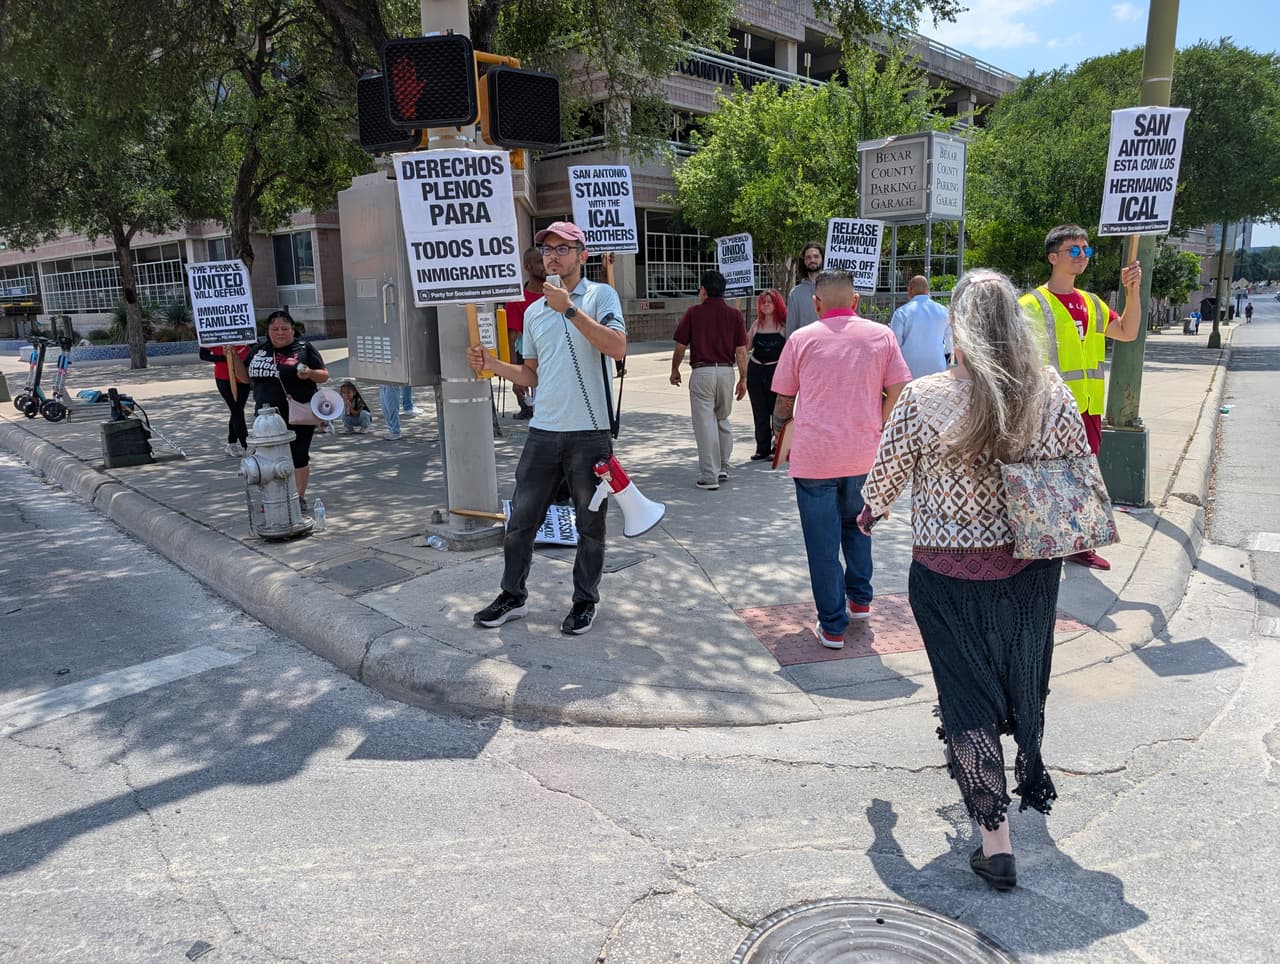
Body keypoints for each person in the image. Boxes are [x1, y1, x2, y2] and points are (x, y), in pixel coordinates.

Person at [861, 269, 1092, 892]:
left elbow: (886, 475)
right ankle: (1020, 772)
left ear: (957, 326)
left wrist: (869, 511)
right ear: (1015, 325)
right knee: (1021, 676)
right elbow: (1080, 470)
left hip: (946, 574)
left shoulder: (924, 397)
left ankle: (996, 841)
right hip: (1031, 568)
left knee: (965, 698)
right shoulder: (1051, 392)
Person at [467, 221, 626, 636]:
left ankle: (584, 601)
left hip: (590, 433)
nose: (552, 256)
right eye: (547, 249)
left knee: (590, 525)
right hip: (544, 432)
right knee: (521, 520)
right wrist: (492, 365)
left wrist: (570, 309)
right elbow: (531, 375)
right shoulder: (535, 309)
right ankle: (512, 595)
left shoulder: (600, 295)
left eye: (562, 248)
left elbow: (617, 346)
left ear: (582, 255)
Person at [771, 269, 911, 645]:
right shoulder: (881, 336)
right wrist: (879, 425)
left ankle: (832, 625)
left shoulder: (801, 339)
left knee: (822, 544)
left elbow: (784, 399)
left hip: (814, 458)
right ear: (856, 301)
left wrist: (781, 432)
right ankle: (860, 602)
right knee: (860, 527)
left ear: (816, 304)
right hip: (864, 456)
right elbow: (899, 386)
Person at [1018, 224, 1141, 571]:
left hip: (1087, 408)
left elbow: (1128, 332)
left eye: (1087, 250)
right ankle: (1044, 542)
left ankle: (1079, 545)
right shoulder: (1030, 304)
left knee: (1087, 477)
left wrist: (1133, 292)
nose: (1082, 256)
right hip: (1048, 409)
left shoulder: (1091, 302)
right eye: (1074, 250)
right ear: (1053, 257)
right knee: (1046, 478)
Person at [233, 310, 329, 512]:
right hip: (266, 416)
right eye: (275, 329)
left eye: (284, 328)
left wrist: (310, 373)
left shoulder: (303, 348)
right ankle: (273, 497)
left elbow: (323, 376)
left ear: (292, 330)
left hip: (298, 412)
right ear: (268, 331)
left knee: (298, 455)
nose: (280, 332)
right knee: (268, 459)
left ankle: (298, 497)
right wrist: (232, 356)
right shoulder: (259, 350)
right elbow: (245, 379)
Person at [669, 270, 747, 489]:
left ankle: (709, 475)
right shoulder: (735, 315)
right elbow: (741, 351)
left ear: (703, 290)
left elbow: (680, 347)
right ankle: (723, 466)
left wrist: (674, 369)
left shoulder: (693, 312)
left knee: (705, 425)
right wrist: (744, 378)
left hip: (702, 371)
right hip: (726, 371)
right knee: (722, 419)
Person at [504, 246, 547, 419]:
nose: (545, 265)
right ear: (527, 266)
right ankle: (526, 406)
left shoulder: (560, 293)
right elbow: (511, 339)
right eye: (539, 262)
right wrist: (516, 378)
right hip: (529, 358)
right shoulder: (516, 300)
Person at [746, 289, 787, 460]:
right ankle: (762, 447)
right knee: (759, 411)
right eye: (763, 301)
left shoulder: (784, 326)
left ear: (777, 304)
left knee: (777, 412)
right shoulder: (756, 325)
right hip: (756, 371)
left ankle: (777, 447)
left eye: (770, 301)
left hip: (775, 372)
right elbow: (746, 347)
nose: (766, 304)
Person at [890, 275, 953, 378]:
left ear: (909, 290)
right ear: (927, 290)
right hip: (937, 366)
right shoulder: (943, 311)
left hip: (909, 368)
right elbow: (950, 342)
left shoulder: (901, 312)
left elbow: (895, 344)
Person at [199, 343, 251, 457]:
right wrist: (224, 358)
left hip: (244, 375)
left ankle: (231, 443)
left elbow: (254, 347)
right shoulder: (214, 335)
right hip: (224, 377)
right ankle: (246, 445)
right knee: (236, 410)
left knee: (238, 410)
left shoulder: (245, 332)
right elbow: (203, 355)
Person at [785, 242, 824, 336]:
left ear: (823, 258)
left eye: (816, 256)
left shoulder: (833, 289)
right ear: (804, 261)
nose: (812, 260)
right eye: (808, 257)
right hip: (805, 347)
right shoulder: (796, 293)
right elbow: (791, 327)